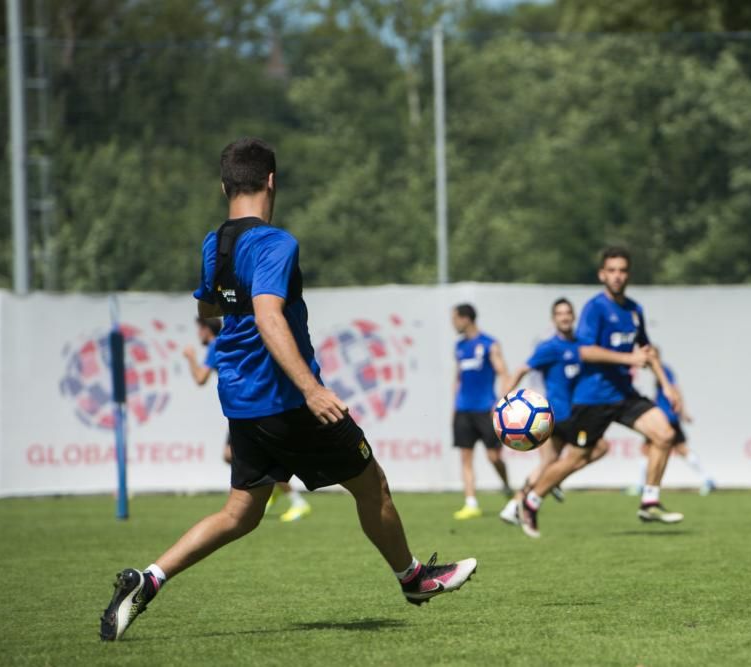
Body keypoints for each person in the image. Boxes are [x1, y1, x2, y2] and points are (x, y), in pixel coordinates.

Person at [99, 138, 477, 642]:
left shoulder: (216, 244)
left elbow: (207, 311)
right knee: (372, 484)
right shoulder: (275, 243)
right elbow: (268, 314)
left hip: (241, 400)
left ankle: (145, 581)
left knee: (241, 513)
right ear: (272, 181)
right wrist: (312, 390)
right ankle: (414, 579)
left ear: (224, 186)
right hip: (288, 399)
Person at [517, 247, 683, 538]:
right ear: (602, 274)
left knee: (665, 434)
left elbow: (646, 349)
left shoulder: (634, 310)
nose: (618, 276)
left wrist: (668, 387)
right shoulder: (595, 308)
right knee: (576, 458)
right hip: (593, 397)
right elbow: (586, 351)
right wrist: (628, 359)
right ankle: (531, 501)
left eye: (622, 270)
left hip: (624, 394)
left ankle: (650, 500)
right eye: (612, 270)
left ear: (628, 274)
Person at [183, 317, 312, 522]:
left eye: (199, 329)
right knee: (231, 455)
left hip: (247, 408)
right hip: (249, 405)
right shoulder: (229, 341)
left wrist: (190, 357)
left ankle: (297, 501)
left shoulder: (216, 345)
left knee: (260, 459)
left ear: (206, 329)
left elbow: (200, 378)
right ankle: (276, 488)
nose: (198, 333)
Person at [498, 298, 609, 525]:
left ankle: (514, 505)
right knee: (598, 447)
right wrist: (505, 399)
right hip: (558, 415)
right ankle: (554, 480)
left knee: (549, 463)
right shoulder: (549, 347)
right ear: (554, 319)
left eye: (568, 313)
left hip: (575, 413)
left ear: (574, 316)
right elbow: (521, 369)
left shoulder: (582, 345)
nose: (565, 317)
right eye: (560, 314)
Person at [451, 303, 512, 519]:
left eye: (455, 319)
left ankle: (506, 486)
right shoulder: (459, 347)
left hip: (485, 409)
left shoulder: (489, 344)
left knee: (494, 456)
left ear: (466, 318)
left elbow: (504, 373)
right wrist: (454, 407)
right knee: (465, 458)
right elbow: (458, 378)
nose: (453, 323)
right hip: (463, 410)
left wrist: (501, 401)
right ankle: (471, 503)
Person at [631, 359, 715, 496]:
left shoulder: (663, 370)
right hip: (664, 415)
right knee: (676, 448)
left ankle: (642, 486)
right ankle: (707, 479)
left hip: (664, 417)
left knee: (655, 449)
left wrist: (682, 411)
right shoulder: (660, 372)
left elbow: (675, 390)